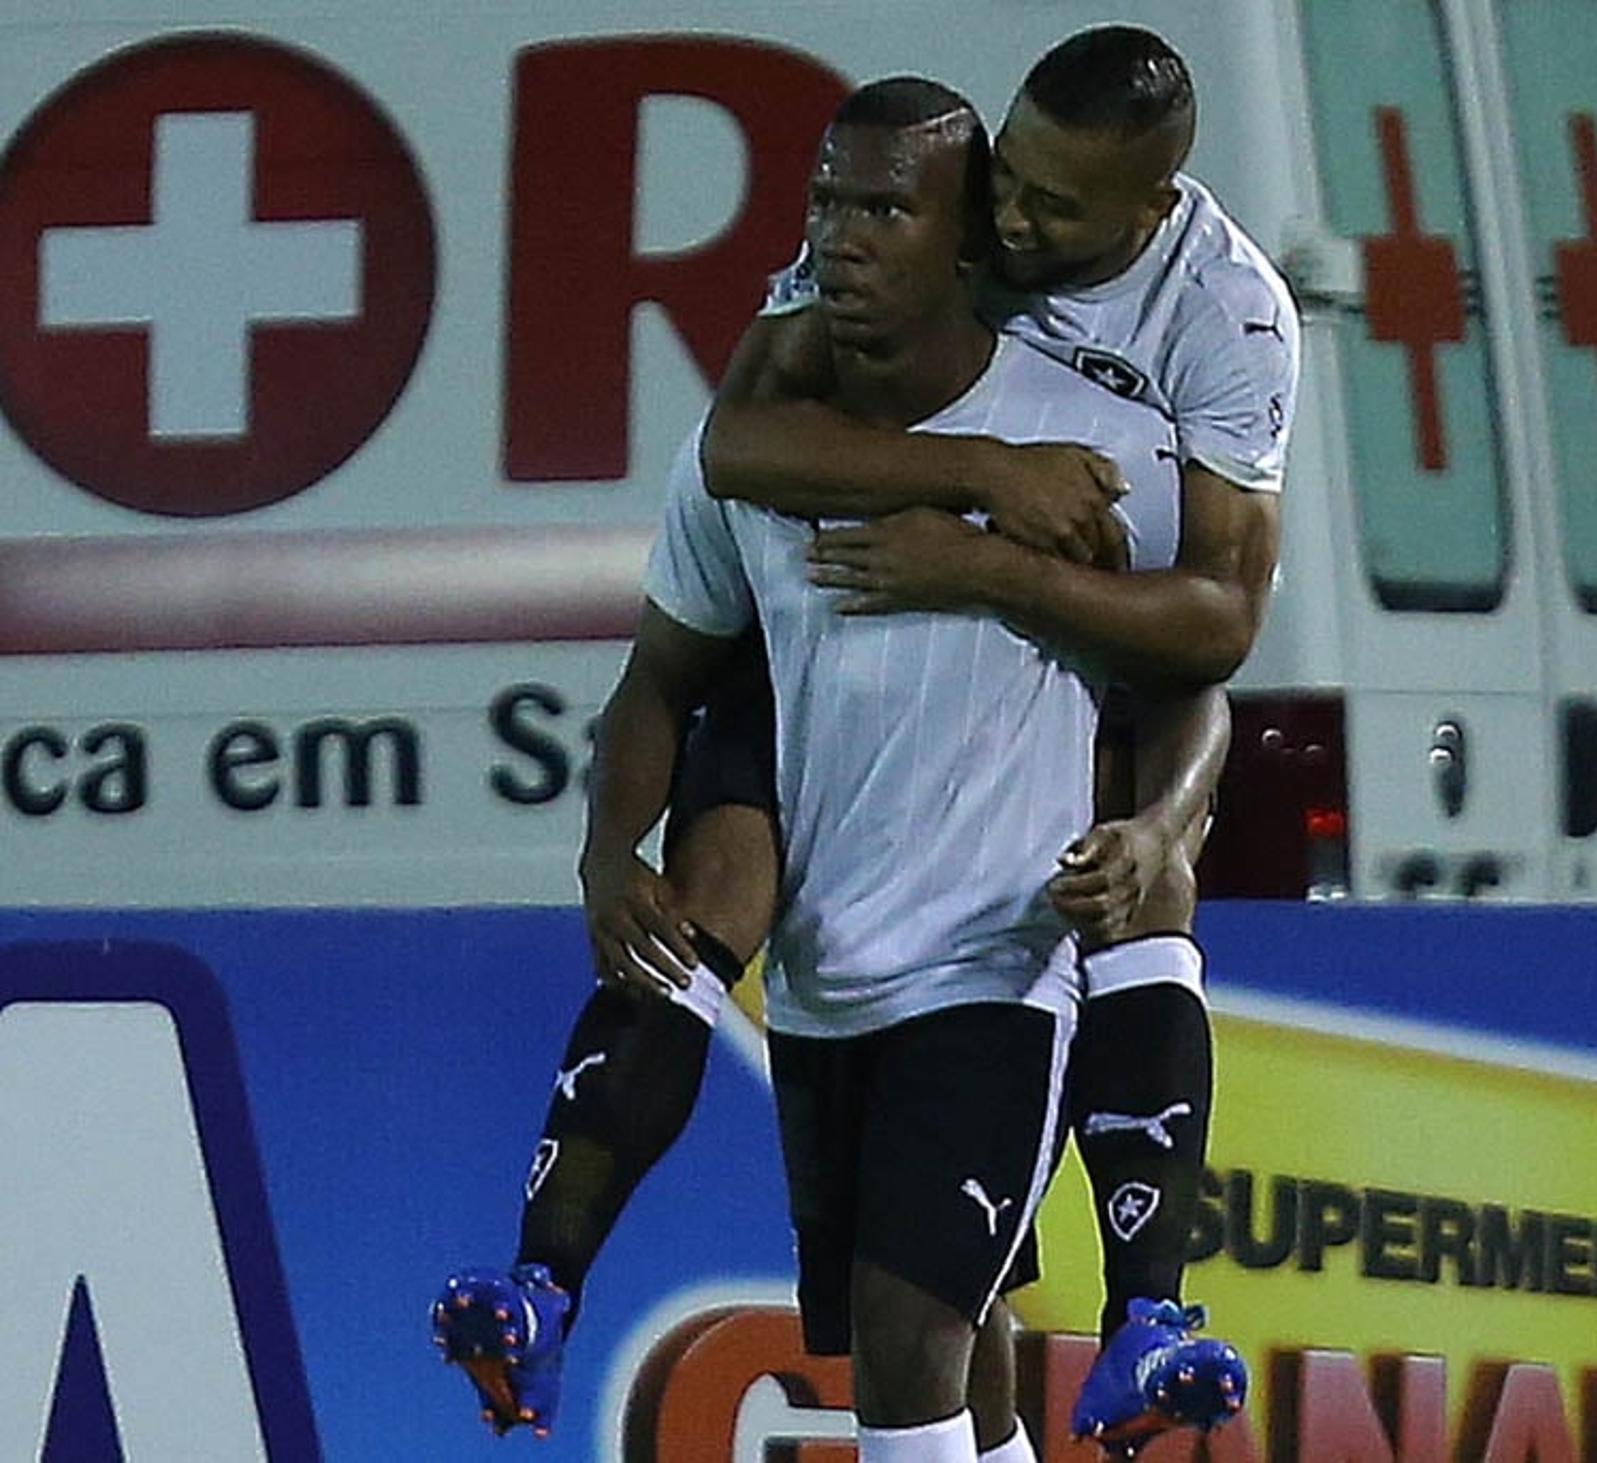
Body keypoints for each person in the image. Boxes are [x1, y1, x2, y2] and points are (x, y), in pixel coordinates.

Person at [437, 77, 1219, 1462]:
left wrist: (1159, 830)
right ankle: (547, 1271)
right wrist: (609, 852)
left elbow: (1189, 681)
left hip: (996, 967)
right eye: (828, 201)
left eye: (887, 207)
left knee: (904, 1345)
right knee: (965, 1364)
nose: (842, 237)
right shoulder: (747, 460)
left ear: (965, 238)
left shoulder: (1091, 444)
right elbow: (663, 678)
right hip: (823, 983)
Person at [702, 23, 1296, 1450]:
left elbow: (1216, 623)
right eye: (1010, 182)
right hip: (905, 710)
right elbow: (740, 436)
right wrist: (981, 475)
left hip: (1091, 670)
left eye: (1055, 208)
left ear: (1152, 211)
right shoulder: (953, 203)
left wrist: (989, 564)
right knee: (945, 1298)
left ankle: (1154, 1301)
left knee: (1150, 842)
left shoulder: (1230, 316)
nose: (1012, 223)